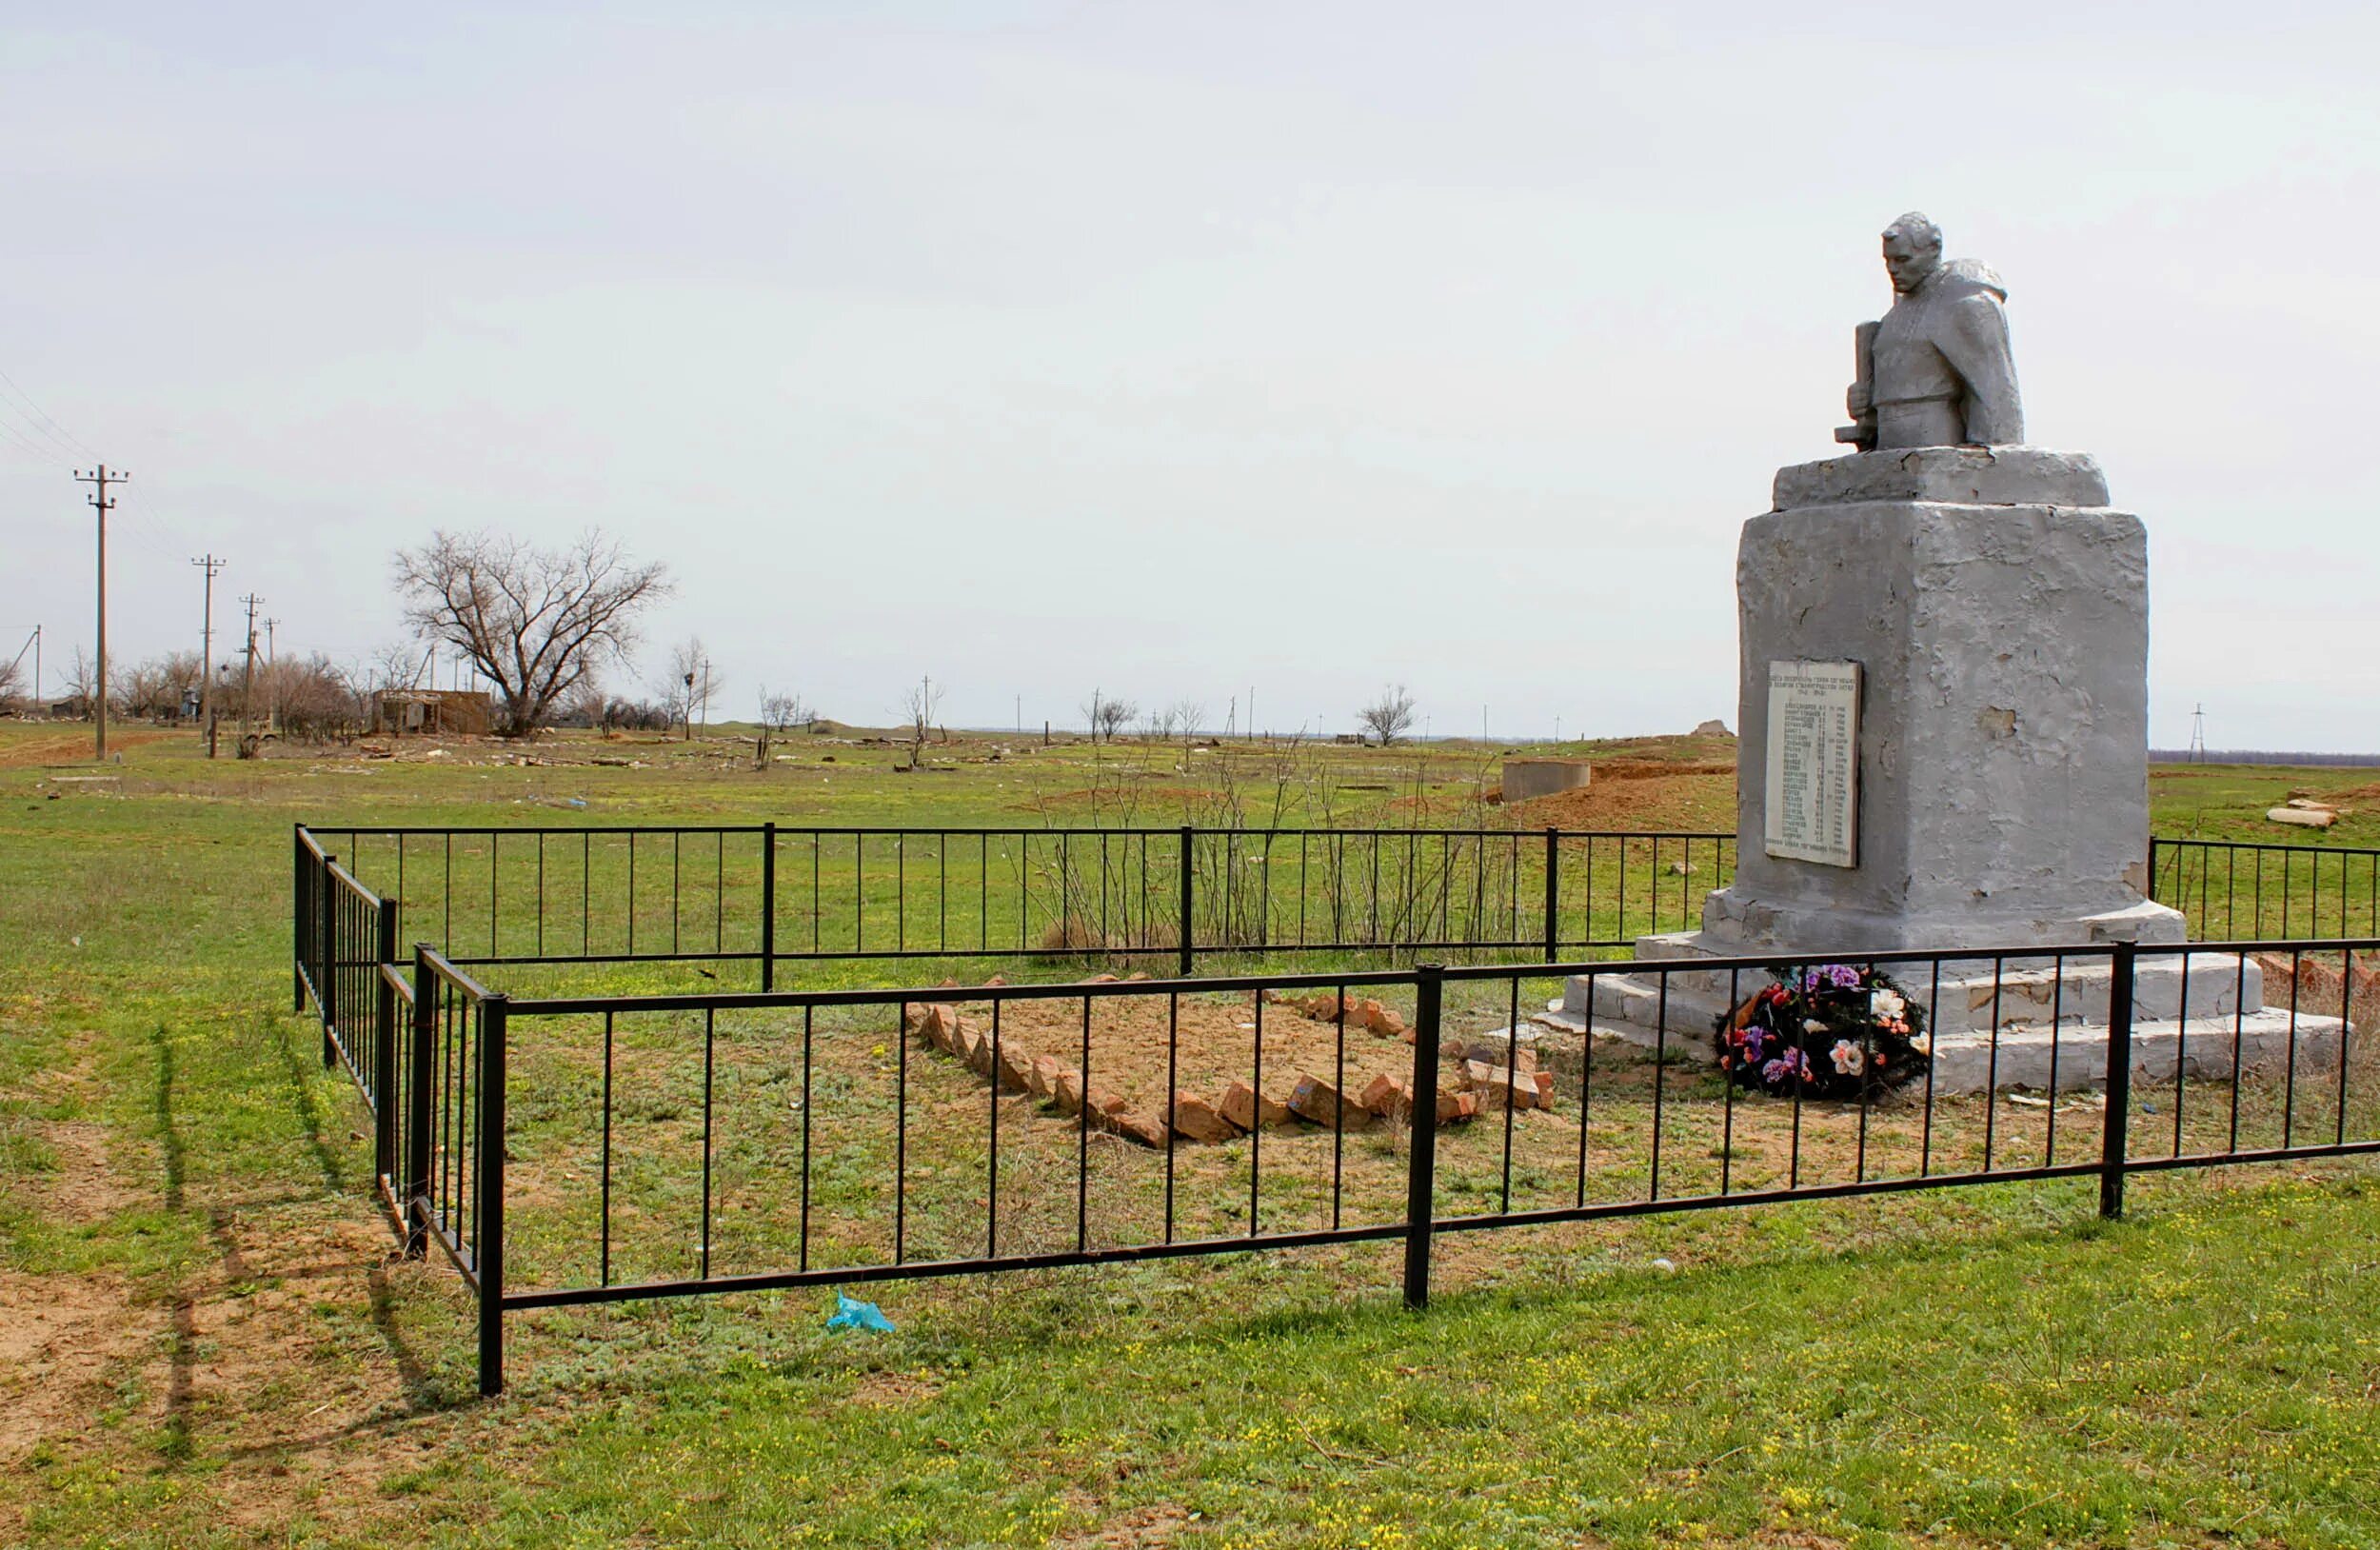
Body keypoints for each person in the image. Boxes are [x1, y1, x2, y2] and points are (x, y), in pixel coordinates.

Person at [1841, 212, 2024, 450]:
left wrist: (1988, 456)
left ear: (1934, 249)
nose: (1892, 269)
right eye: (1888, 260)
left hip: (1936, 443)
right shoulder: (1896, 314)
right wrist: (1866, 402)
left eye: (1903, 259)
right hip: (1891, 449)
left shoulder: (1963, 301)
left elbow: (1994, 391)